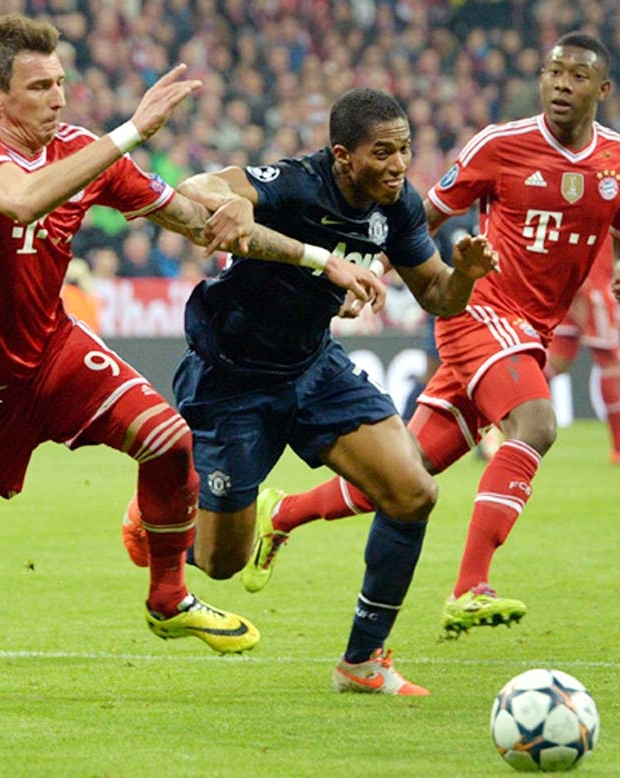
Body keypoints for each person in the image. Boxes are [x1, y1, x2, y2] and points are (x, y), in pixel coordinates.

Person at [0, 13, 383, 683]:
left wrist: (320, 259)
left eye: (61, 83)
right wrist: (133, 131)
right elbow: (22, 201)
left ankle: (168, 597)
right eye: (39, 88)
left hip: (52, 352)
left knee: (169, 441)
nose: (58, 99)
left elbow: (197, 221)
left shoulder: (83, 150)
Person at [237, 31, 620, 642]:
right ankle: (469, 588)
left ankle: (285, 513)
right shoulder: (500, 145)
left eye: (577, 76)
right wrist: (371, 273)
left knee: (407, 475)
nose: (562, 84)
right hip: (479, 308)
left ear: (603, 89)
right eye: (553, 72)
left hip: (532, 329)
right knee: (536, 425)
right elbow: (418, 219)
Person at [120, 87, 496, 695]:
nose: (399, 165)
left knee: (412, 493)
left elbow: (436, 294)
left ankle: (362, 662)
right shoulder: (297, 184)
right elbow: (198, 188)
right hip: (231, 381)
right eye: (383, 152)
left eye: (405, 149)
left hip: (313, 368)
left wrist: (467, 279)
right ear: (343, 156)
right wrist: (230, 201)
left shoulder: (398, 205)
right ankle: (160, 521)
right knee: (221, 563)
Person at [545, 236, 620, 466]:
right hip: (592, 286)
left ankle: (495, 422)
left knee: (558, 361)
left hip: (568, 284)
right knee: (610, 363)